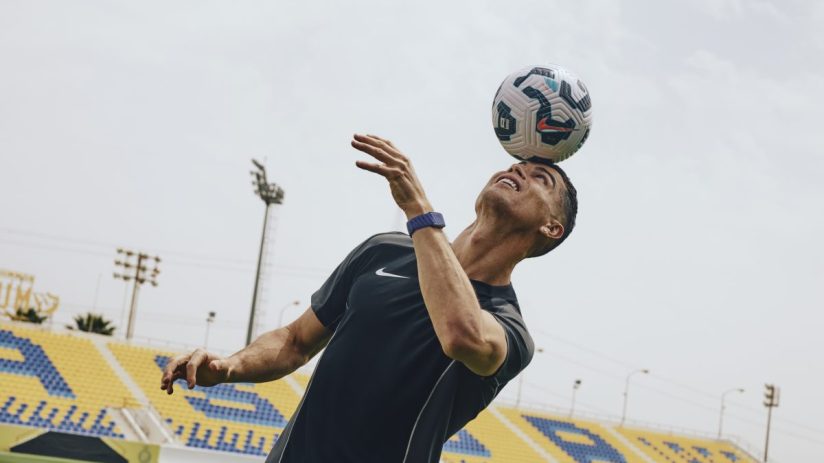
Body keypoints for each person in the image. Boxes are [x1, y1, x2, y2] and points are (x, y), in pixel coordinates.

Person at [160, 134, 578, 462]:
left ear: (551, 228)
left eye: (541, 178)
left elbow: (460, 336)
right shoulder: (384, 250)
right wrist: (229, 365)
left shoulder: (509, 329)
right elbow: (294, 342)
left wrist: (419, 209)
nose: (517, 171)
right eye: (515, 164)